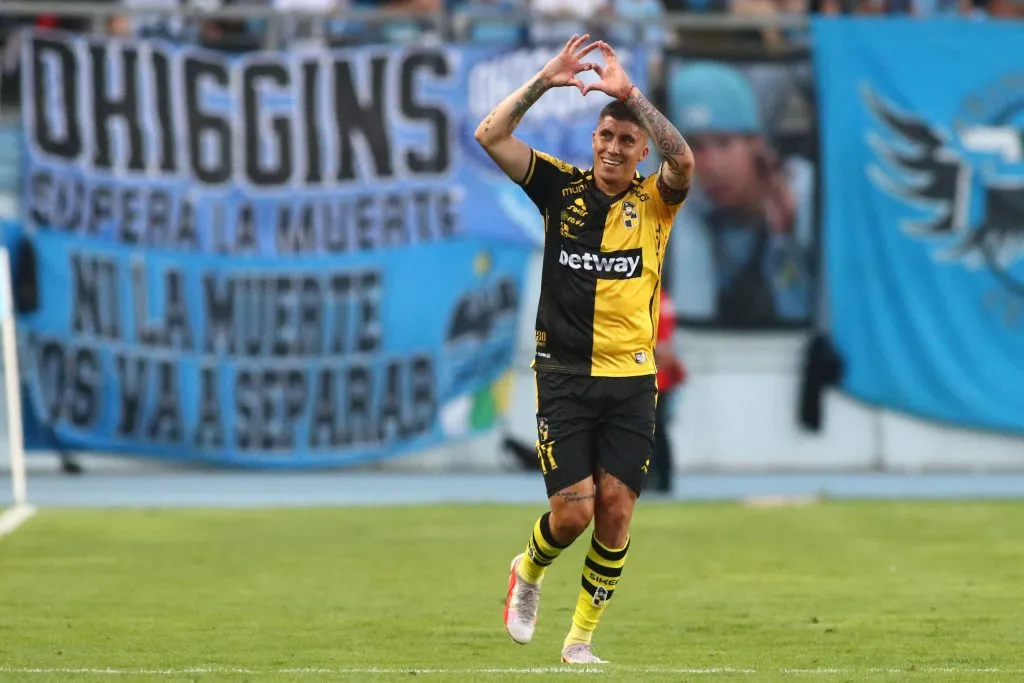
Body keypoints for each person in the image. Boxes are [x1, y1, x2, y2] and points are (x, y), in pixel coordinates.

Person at [473, 34, 695, 665]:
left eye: (626, 139)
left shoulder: (654, 202)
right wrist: (545, 80)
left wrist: (631, 96)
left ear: (639, 150)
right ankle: (529, 571)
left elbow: (685, 163)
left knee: (617, 514)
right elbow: (490, 135)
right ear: (592, 141)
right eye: (605, 135)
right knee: (572, 517)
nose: (613, 147)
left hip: (631, 381)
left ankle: (579, 641)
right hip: (565, 376)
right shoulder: (560, 190)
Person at [666, 61, 815, 328]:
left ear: (757, 143)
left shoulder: (804, 190)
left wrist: (793, 235)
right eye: (695, 147)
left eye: (724, 143)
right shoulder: (691, 207)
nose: (711, 164)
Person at [648, 288, 686, 493]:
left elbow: (663, 347)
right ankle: (660, 479)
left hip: (656, 379)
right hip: (657, 378)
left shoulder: (658, 300)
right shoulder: (663, 300)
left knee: (656, 429)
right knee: (656, 429)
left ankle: (660, 479)